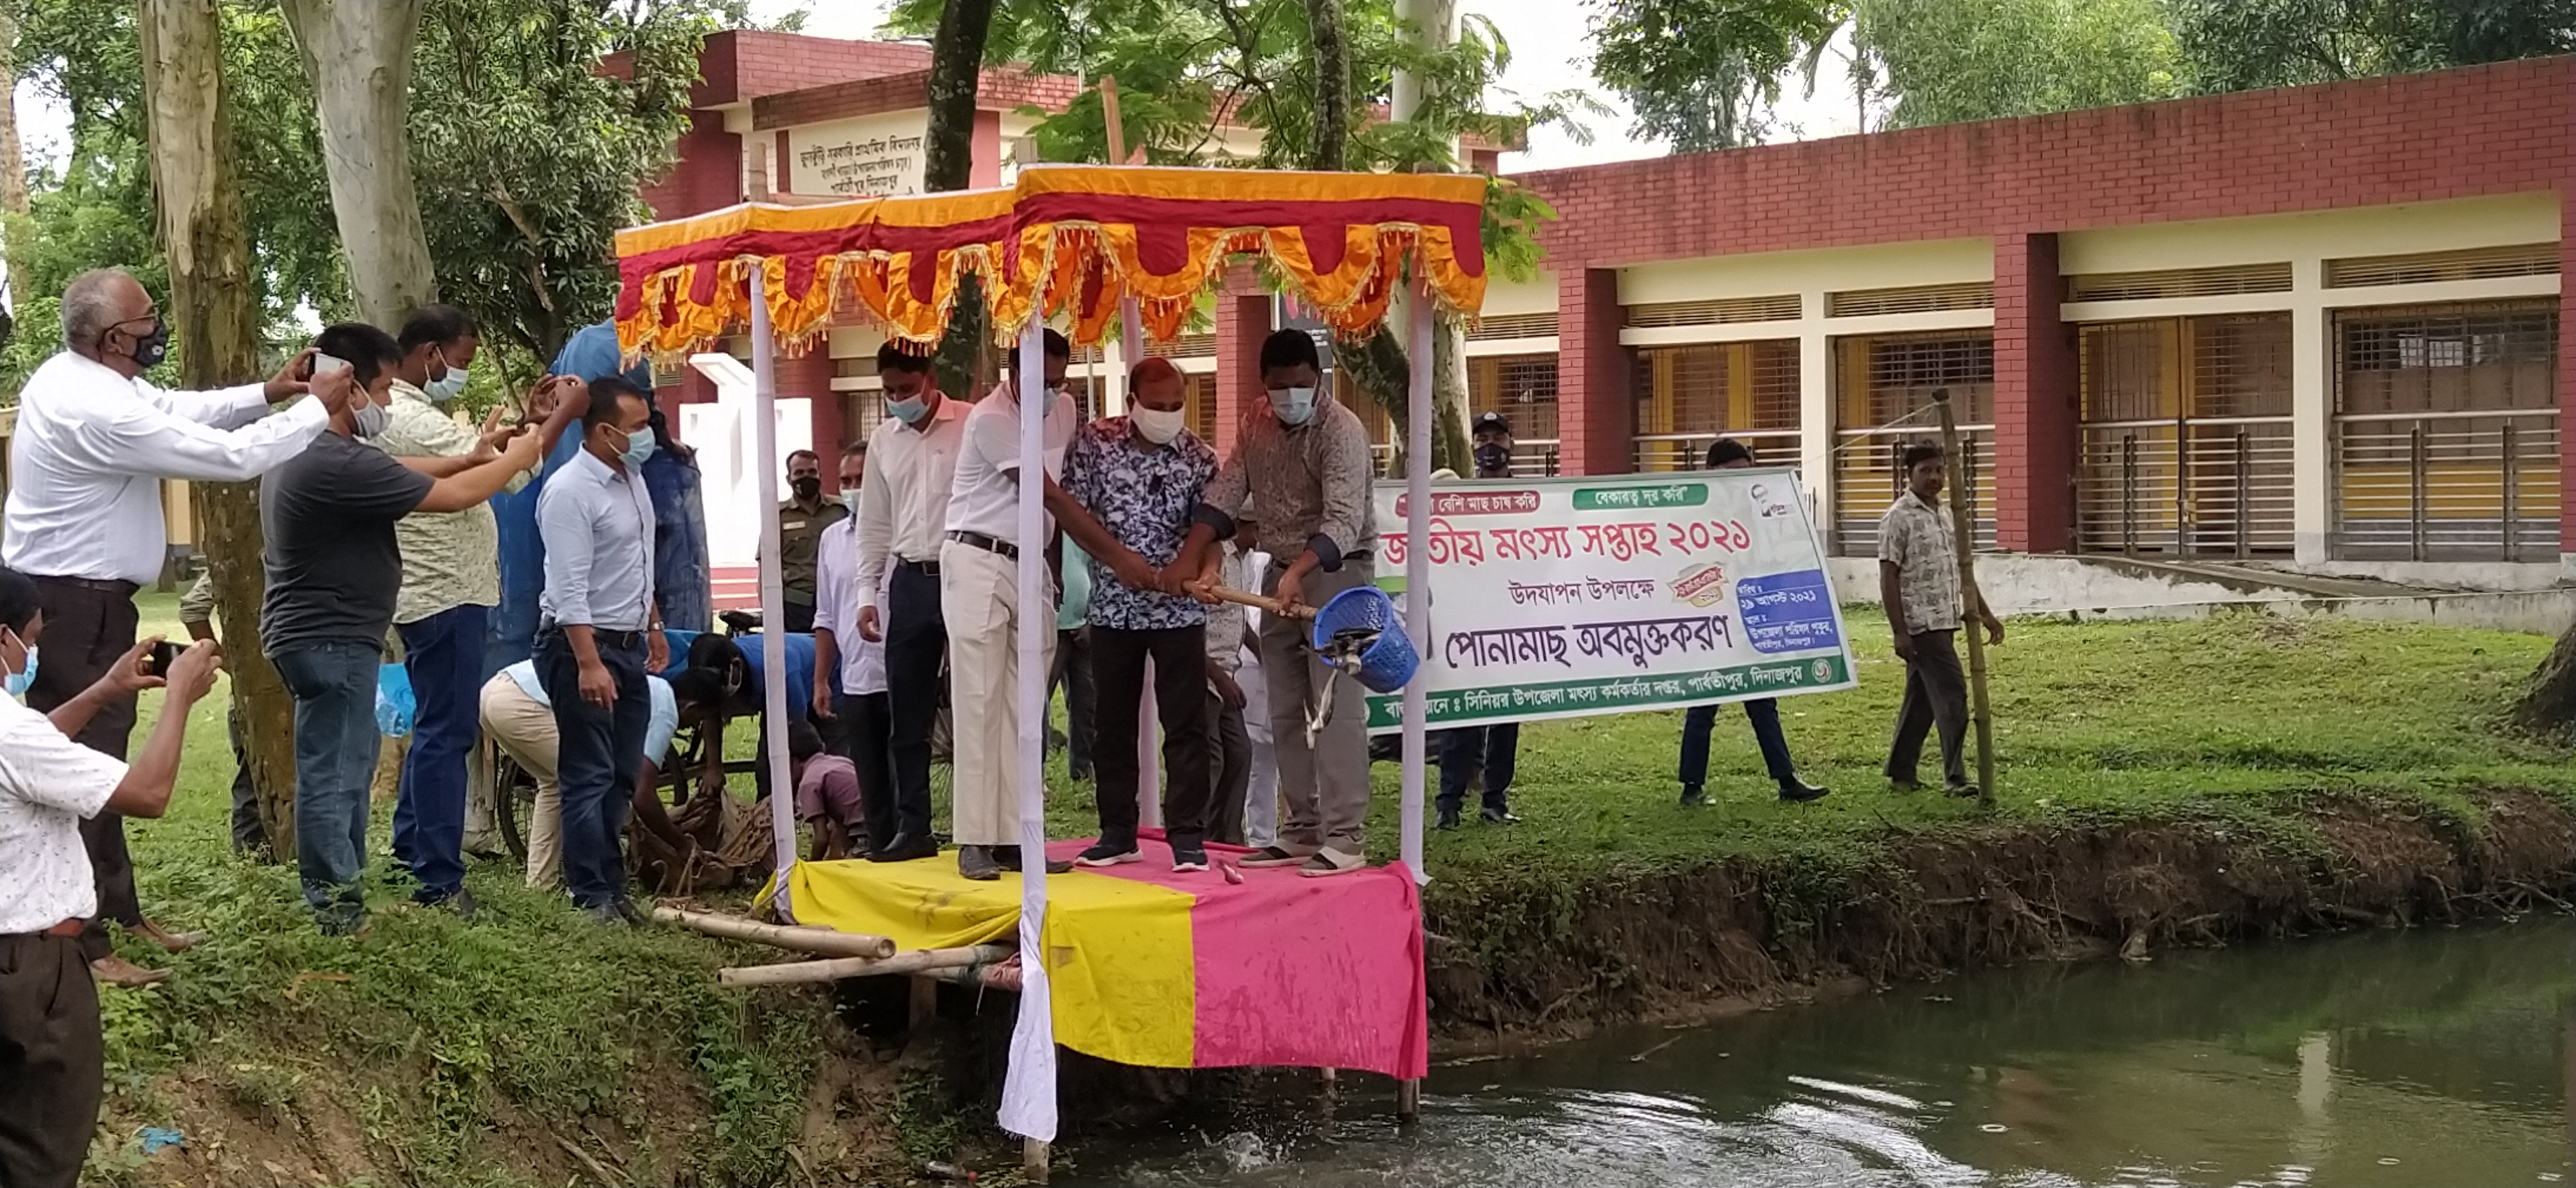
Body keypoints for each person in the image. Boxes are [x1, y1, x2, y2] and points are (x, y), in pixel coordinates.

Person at [2, 267, 347, 984]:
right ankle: (87, 945)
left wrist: (269, 392)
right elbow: (229, 458)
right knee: (87, 771)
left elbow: (175, 408)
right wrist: (316, 410)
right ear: (112, 338)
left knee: (101, 756)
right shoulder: (94, 408)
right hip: (74, 606)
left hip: (89, 602)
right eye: (146, 321)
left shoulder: (88, 380)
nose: (156, 329)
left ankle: (121, 915)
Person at [263, 322, 545, 932]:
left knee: (345, 769)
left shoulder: (311, 447)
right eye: (384, 389)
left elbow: (415, 466)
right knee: (336, 779)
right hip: (331, 638)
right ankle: (338, 911)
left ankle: (346, 895)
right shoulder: (336, 461)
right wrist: (518, 458)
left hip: (325, 635)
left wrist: (472, 455)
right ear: (347, 387)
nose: (388, 403)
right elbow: (454, 496)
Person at [0, 566, 220, 1188]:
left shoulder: (17, 735)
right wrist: (178, 697)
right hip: (30, 972)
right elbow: (148, 794)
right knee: (40, 1153)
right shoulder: (10, 731)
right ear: (2, 638)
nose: (32, 654)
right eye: (31, 639)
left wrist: (103, 692)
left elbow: (33, 753)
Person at [381, 304, 585, 911]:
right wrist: (565, 415)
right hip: (444, 592)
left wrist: (533, 421)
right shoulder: (412, 418)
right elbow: (506, 471)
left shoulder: (415, 413)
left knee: (437, 728)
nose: (463, 373)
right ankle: (437, 878)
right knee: (447, 734)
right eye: (462, 361)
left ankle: (412, 855)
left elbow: (501, 463)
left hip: (444, 591)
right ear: (430, 353)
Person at [942, 329, 1154, 881]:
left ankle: (1018, 837)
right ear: (1014, 374)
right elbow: (1050, 495)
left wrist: (1058, 570)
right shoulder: (990, 419)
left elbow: (1069, 491)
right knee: (979, 699)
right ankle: (975, 840)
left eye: (1060, 380)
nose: (1052, 391)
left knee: (1025, 705)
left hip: (1031, 562)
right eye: (1042, 381)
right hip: (978, 557)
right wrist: (1118, 557)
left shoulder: (1063, 410)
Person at [1184, 329, 1378, 877]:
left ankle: (1345, 836)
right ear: (1264, 385)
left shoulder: (1342, 430)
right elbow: (1227, 492)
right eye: (1279, 386)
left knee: (1334, 706)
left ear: (1317, 379)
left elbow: (1343, 521)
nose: (1291, 395)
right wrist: (1199, 556)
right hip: (1280, 574)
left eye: (1301, 384)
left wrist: (1298, 573)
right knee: (1286, 705)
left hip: (1339, 574)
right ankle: (1302, 827)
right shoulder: (1256, 421)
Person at [1061, 357, 1222, 872]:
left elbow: (1213, 531)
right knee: (1111, 725)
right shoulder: (1095, 443)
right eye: (1156, 405)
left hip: (1179, 613)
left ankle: (1188, 838)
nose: (1168, 414)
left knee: (1187, 726)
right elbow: (1072, 514)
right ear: (1131, 401)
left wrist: (1204, 570)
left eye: (1176, 405)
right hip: (1114, 608)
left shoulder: (1200, 457)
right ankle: (1117, 833)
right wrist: (1117, 560)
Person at [535, 376, 670, 924]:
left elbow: (638, 561)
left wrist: (653, 624)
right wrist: (588, 663)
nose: (647, 435)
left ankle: (612, 889)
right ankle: (589, 893)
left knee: (621, 773)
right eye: (637, 427)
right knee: (588, 772)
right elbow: (568, 588)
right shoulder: (570, 491)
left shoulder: (632, 479)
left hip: (628, 643)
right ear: (604, 431)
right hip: (582, 647)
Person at [853, 342, 968, 863]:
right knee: (908, 707)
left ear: (930, 379)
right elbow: (874, 524)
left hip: (965, 571)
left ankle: (984, 830)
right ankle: (913, 826)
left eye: (907, 388)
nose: (899, 398)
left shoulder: (970, 425)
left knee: (977, 701)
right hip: (911, 580)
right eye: (890, 391)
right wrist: (867, 593)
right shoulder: (884, 440)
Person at [1677, 437, 1830, 806]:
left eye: (1745, 473)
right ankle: (1692, 787)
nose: (1739, 481)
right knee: (1703, 706)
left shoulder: (1757, 510)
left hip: (1753, 620)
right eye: (1732, 473)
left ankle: (1787, 780)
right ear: (1712, 473)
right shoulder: (1695, 514)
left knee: (1763, 701)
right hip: (1713, 625)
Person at [478, 656, 715, 887]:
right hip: (522, 703)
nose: (694, 726)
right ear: (691, 707)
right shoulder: (666, 710)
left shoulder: (654, 687)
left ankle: (542, 881)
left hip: (495, 691)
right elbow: (642, 794)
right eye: (700, 718)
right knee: (594, 785)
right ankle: (595, 882)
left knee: (555, 784)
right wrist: (682, 844)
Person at [1878, 441, 2003, 796]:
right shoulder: (1898, 517)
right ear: (1909, 474)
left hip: (1946, 620)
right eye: (1925, 471)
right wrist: (1899, 631)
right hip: (1921, 624)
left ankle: (1902, 771)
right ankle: (1955, 777)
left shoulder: (1947, 514)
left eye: (1938, 470)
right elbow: (1888, 575)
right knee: (1953, 696)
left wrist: (1984, 613)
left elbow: (1961, 569)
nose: (1934, 477)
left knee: (1920, 701)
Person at [1435, 413, 1524, 830]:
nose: (1490, 446)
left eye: (1498, 438)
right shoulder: (1459, 498)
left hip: (1513, 619)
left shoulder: (1529, 498)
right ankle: (1449, 804)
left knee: (1507, 713)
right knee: (1462, 715)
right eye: (1482, 438)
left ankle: (1495, 799)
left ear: (1511, 443)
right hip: (1466, 621)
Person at [811, 443, 891, 818]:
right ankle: (877, 840)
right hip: (857, 677)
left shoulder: (903, 535)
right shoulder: (832, 539)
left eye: (861, 479)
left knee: (904, 769)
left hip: (901, 671)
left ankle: (911, 839)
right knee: (869, 775)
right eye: (846, 481)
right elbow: (826, 615)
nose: (853, 488)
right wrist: (821, 680)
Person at [179, 571, 269, 858]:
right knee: (252, 781)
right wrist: (228, 663)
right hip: (255, 693)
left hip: (287, 688)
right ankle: (252, 862)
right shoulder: (238, 559)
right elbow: (193, 608)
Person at [775, 448, 846, 633]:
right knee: (801, 649)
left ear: (820, 475)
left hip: (838, 599)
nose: (806, 477)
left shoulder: (841, 510)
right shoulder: (778, 516)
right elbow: (766, 567)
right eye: (799, 473)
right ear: (789, 479)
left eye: (811, 472)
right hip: (798, 604)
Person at [1049, 537, 1097, 780]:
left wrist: (1092, 618)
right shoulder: (1044, 527)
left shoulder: (1081, 528)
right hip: (1051, 626)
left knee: (1087, 701)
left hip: (1082, 625)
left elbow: (1096, 571)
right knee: (1038, 701)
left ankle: (1083, 769)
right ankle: (1033, 775)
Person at [788, 719, 865, 861]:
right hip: (883, 817)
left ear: (792, 761)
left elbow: (821, 837)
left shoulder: (809, 783)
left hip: (864, 829)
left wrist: (813, 865)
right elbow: (840, 824)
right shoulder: (841, 762)